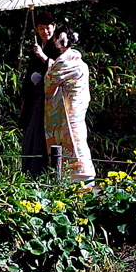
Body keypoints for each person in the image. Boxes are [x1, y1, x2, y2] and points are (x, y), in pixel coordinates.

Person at [38, 24, 96, 183]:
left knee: (69, 139)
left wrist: (43, 58)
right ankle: (84, 173)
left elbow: (49, 82)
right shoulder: (78, 60)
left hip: (67, 109)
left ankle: (72, 176)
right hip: (77, 106)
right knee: (78, 138)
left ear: (59, 40)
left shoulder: (64, 61)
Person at [19, 11, 58, 177]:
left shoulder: (57, 47)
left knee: (44, 134)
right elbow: (29, 75)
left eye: (48, 28)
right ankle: (29, 170)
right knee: (31, 133)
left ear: (54, 27)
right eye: (41, 28)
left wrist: (43, 57)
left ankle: (43, 171)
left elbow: (59, 70)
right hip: (34, 97)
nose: (45, 32)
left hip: (50, 99)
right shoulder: (36, 47)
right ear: (36, 29)